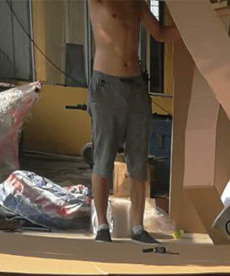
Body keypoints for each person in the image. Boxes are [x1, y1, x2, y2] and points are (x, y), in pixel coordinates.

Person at [87, 0, 177, 243]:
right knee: (103, 158)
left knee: (138, 160)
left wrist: (196, 31)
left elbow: (160, 34)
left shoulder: (138, 3)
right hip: (106, 86)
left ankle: (137, 228)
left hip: (136, 87)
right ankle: (102, 226)